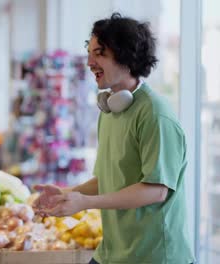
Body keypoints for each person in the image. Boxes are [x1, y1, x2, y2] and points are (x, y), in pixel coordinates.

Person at [33, 13, 195, 264]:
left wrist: (86, 203)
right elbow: (108, 180)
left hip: (154, 257)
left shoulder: (156, 115)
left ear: (126, 57)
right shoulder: (109, 110)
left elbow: (156, 190)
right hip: (114, 253)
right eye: (89, 53)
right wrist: (67, 193)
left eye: (99, 53)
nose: (89, 62)